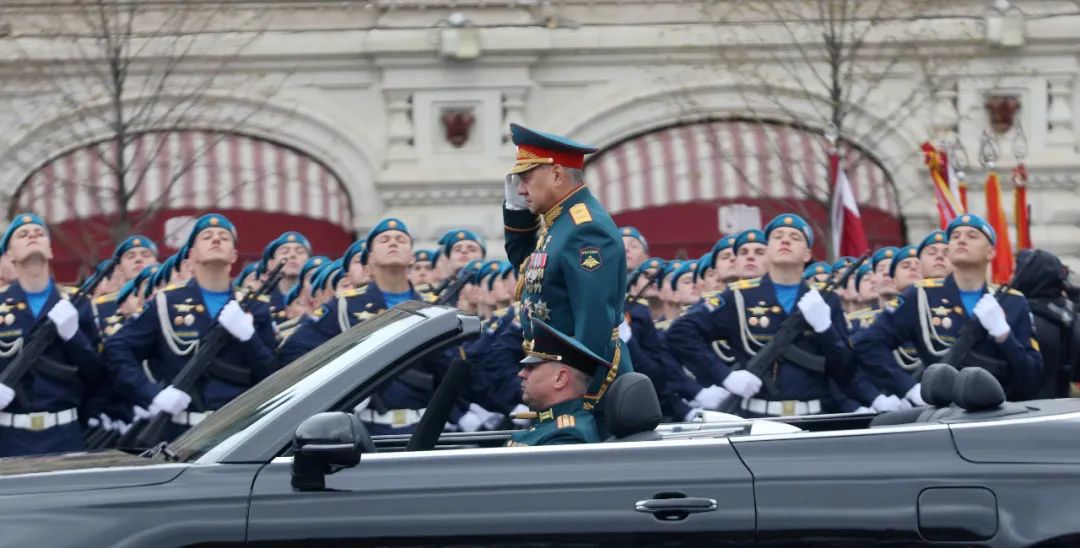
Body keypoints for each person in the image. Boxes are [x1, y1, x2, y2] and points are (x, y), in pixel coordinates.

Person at [104, 213, 279, 440]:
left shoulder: (255, 307)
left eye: (224, 238)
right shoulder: (167, 302)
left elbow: (274, 375)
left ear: (234, 255)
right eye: (207, 236)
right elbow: (117, 348)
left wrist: (249, 337)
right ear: (192, 254)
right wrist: (152, 395)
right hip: (180, 432)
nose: (216, 240)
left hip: (238, 434)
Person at [666, 213, 853, 418]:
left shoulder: (825, 300)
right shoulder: (739, 297)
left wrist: (825, 330)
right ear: (769, 250)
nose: (785, 240)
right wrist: (726, 376)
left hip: (816, 417)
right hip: (758, 419)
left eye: (795, 237)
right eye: (777, 236)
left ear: (807, 254)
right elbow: (680, 333)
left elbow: (846, 370)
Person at [502, 123, 632, 413]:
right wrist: (515, 212)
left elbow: (593, 320)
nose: (521, 189)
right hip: (556, 380)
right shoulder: (560, 222)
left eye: (526, 179)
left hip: (583, 388)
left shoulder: (585, 229)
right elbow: (526, 268)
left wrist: (577, 397)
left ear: (557, 174)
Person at [854, 214, 1043, 401]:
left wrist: (1004, 336)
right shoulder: (920, 296)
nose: (961, 240)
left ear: (990, 252)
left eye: (972, 236)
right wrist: (909, 388)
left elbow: (1033, 378)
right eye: (955, 236)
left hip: (1000, 413)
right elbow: (868, 343)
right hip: (944, 415)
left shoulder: (1012, 302)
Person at [0, 213, 105, 457]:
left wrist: (74, 336)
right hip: (9, 436)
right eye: (23, 235)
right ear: (10, 255)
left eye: (39, 233)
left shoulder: (77, 303)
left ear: (50, 250)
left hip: (64, 434)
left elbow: (99, 374)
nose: (32, 237)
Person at [506, 318, 607, 446]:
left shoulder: (567, 435)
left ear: (560, 378)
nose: (521, 374)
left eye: (531, 367)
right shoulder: (547, 425)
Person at [1011, 248, 1078, 398]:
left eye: (1016, 270)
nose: (1012, 277)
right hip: (1061, 409)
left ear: (1029, 275)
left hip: (1024, 410)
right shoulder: (1068, 314)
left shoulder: (1023, 317)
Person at [261, 231, 312, 324]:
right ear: (271, 263)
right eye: (285, 252)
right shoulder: (262, 300)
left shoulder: (317, 297)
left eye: (300, 252)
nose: (292, 255)